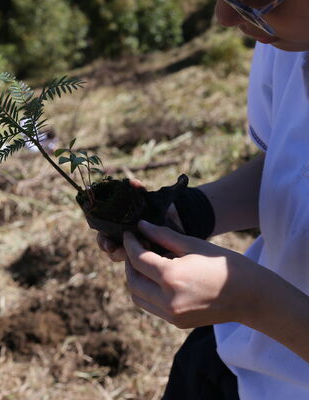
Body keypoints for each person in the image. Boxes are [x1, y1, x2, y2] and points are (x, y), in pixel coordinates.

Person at [97, 1, 309, 399]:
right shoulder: (286, 43)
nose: (225, 18)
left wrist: (254, 301)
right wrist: (195, 211)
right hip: (233, 353)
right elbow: (291, 162)